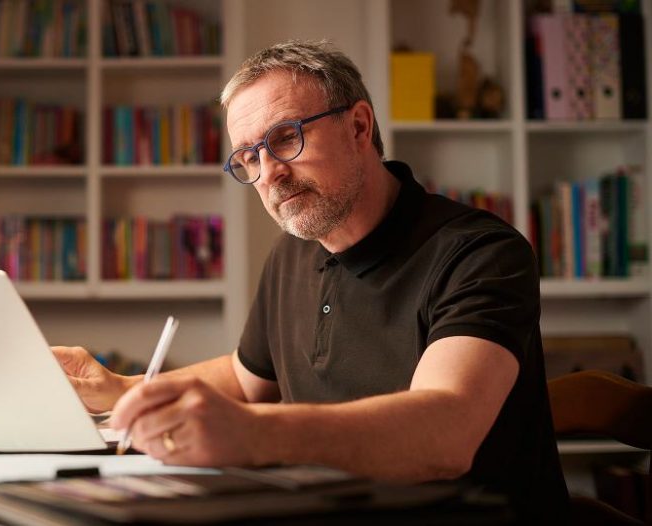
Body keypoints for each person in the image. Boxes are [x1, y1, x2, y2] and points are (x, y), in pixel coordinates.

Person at [53, 40, 569, 521]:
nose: (270, 172)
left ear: (359, 127)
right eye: (249, 156)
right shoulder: (293, 253)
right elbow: (244, 379)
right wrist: (122, 389)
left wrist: (254, 436)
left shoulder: (480, 252)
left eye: (285, 138)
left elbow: (446, 434)